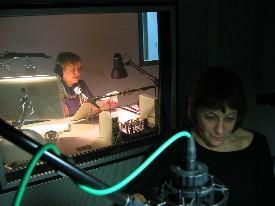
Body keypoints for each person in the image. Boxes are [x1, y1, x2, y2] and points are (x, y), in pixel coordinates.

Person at [128, 67, 274, 205]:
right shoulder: (175, 143)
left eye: (229, 118)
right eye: (210, 117)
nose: (220, 129)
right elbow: (139, 189)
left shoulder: (257, 145)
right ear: (194, 110)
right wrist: (138, 197)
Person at [54, 51, 118, 117]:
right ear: (61, 71)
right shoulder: (54, 88)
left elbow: (92, 106)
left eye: (79, 69)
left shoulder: (82, 84)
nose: (77, 73)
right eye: (73, 70)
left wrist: (105, 103)